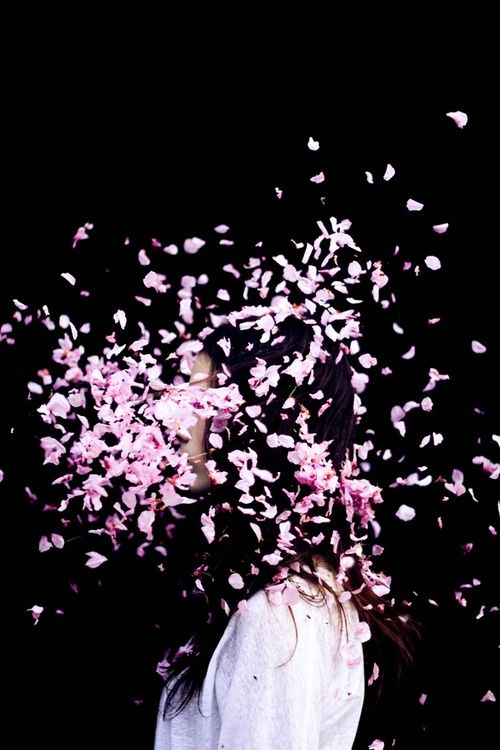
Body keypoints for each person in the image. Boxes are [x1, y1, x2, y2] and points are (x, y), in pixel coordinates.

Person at [154, 312, 419, 750]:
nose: (179, 420)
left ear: (261, 419)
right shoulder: (288, 601)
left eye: (201, 398)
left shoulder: (280, 618)